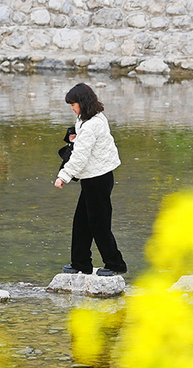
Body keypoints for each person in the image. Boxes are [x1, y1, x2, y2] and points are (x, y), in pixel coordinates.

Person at [54, 82, 127, 277]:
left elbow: (80, 156)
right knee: (81, 222)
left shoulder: (93, 124)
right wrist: (74, 137)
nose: (72, 107)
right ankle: (80, 263)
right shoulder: (90, 118)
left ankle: (115, 263)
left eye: (73, 103)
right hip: (92, 178)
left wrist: (63, 176)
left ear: (83, 103)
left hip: (98, 179)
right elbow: (84, 144)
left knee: (99, 223)